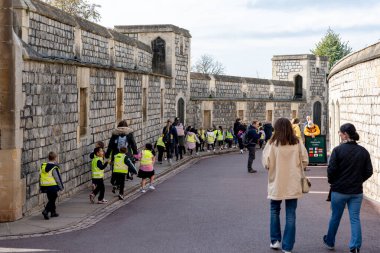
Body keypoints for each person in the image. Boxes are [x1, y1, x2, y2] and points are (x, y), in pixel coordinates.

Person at [323, 123, 373, 253]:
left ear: (345, 134)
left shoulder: (338, 150)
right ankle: (355, 246)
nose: (339, 134)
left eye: (340, 132)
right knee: (355, 218)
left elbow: (331, 170)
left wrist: (333, 182)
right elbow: (369, 171)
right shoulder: (363, 151)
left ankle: (330, 241)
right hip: (356, 191)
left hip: (339, 190)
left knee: (335, 217)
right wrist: (358, 180)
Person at [262, 118, 309, 253]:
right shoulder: (297, 142)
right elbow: (305, 160)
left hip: (276, 181)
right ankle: (288, 246)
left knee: (274, 210)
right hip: (293, 182)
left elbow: (266, 163)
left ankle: (275, 240)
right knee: (290, 213)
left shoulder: (272, 143)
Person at [106, 120, 138, 184]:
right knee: (128, 163)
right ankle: (128, 173)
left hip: (116, 154)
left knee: (115, 167)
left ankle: (114, 181)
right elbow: (133, 144)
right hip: (126, 153)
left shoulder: (115, 133)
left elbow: (110, 145)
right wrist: (135, 152)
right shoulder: (129, 133)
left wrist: (107, 154)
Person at [40, 151, 64, 220]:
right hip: (52, 186)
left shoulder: (43, 166)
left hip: (45, 185)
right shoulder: (54, 167)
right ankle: (46, 211)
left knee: (51, 199)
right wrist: (61, 187)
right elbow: (57, 178)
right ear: (55, 158)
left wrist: (41, 186)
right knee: (53, 198)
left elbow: (40, 177)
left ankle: (53, 212)